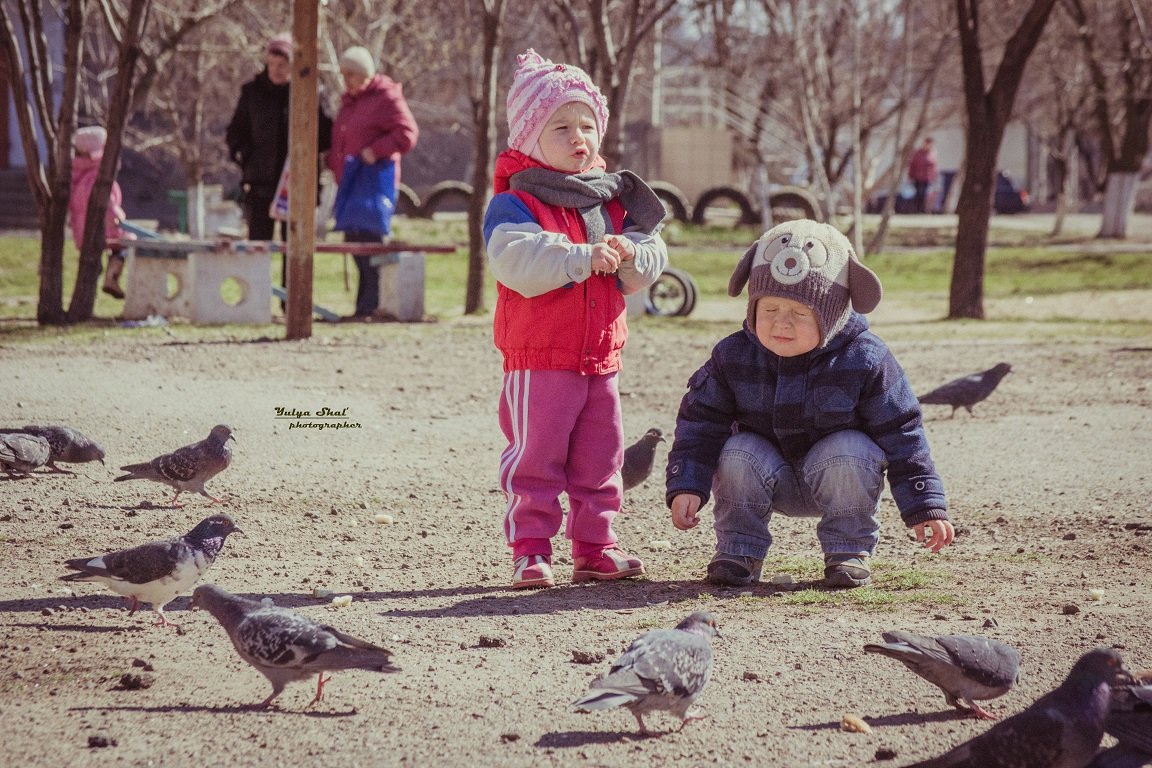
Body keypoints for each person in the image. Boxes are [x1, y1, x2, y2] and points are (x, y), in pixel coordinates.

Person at [665, 219, 954, 589]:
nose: (781, 325)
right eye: (769, 311)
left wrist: (924, 503)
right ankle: (738, 551)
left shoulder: (867, 358)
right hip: (763, 475)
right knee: (737, 449)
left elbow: (903, 431)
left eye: (800, 314)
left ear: (832, 314)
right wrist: (688, 483)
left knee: (852, 448)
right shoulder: (731, 355)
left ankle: (848, 551)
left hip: (837, 475)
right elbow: (699, 423)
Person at [482, 49, 669, 589]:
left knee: (601, 458)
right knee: (536, 458)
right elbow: (519, 263)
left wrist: (633, 258)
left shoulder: (609, 200)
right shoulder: (516, 202)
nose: (577, 136)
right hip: (539, 358)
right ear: (528, 137)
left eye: (587, 124)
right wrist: (580, 257)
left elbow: (652, 252)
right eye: (560, 126)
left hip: (600, 358)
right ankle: (530, 550)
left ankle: (595, 546)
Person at [226, 33, 333, 295]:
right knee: (258, 244)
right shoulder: (252, 93)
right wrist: (245, 156)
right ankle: (255, 298)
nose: (276, 70)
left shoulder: (309, 91)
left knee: (294, 246)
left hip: (297, 183)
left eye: (282, 65)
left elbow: (326, 135)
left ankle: (292, 300)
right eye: (272, 64)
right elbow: (235, 132)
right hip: (261, 183)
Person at [327, 45, 419, 321]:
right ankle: (363, 306)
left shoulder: (386, 97)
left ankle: (373, 305)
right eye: (343, 75)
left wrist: (375, 150)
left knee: (369, 243)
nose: (346, 81)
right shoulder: (350, 102)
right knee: (353, 244)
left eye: (351, 74)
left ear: (365, 73)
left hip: (372, 185)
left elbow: (407, 134)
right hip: (351, 184)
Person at [69, 126, 133, 299]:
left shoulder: (77, 177)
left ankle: (86, 292)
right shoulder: (97, 177)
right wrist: (118, 219)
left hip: (82, 231)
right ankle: (112, 278)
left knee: (92, 260)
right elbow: (108, 205)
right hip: (103, 228)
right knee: (124, 245)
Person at [908, 137, 938, 214]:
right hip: (917, 177)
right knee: (918, 193)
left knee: (924, 194)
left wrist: (935, 176)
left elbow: (934, 166)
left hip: (927, 178)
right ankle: (916, 209)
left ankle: (922, 210)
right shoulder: (918, 153)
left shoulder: (932, 153)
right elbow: (912, 165)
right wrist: (910, 175)